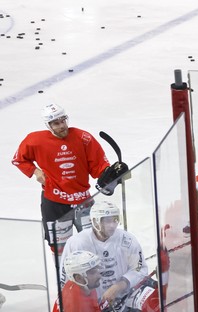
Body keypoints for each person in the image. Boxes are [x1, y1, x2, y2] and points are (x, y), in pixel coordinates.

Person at [60, 200, 163, 312]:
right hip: (95, 303)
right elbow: (66, 278)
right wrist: (86, 304)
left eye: (115, 219)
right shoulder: (77, 243)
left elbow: (140, 268)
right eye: (106, 220)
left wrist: (120, 285)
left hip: (128, 292)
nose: (112, 224)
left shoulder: (127, 240)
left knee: (159, 302)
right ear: (94, 221)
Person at [12, 103, 128, 253]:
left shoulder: (83, 138)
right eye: (56, 123)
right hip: (54, 204)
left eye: (63, 120)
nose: (62, 126)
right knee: (60, 250)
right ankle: (65, 277)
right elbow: (18, 159)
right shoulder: (35, 140)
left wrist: (109, 174)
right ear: (48, 125)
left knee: (94, 245)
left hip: (83, 202)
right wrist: (35, 171)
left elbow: (98, 167)